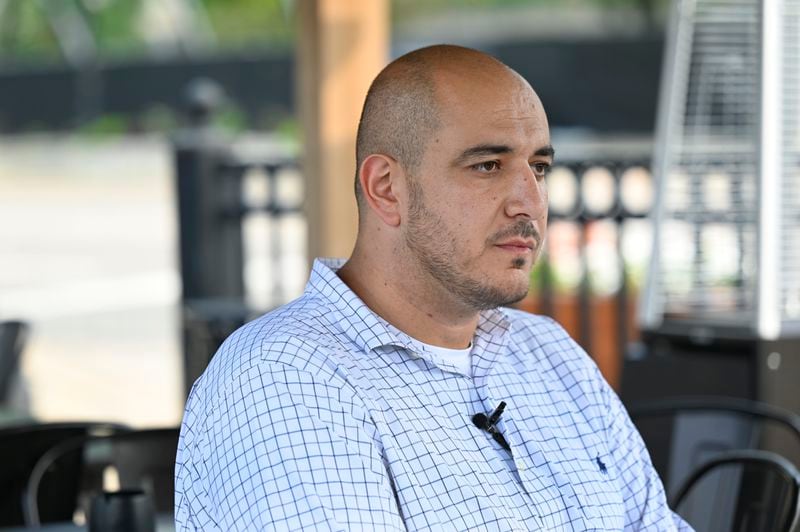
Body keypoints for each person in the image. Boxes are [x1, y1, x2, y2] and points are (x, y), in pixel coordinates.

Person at [175, 44, 691, 531]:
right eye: (487, 166)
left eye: (538, 167)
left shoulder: (551, 356)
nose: (529, 202)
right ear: (386, 188)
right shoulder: (286, 379)